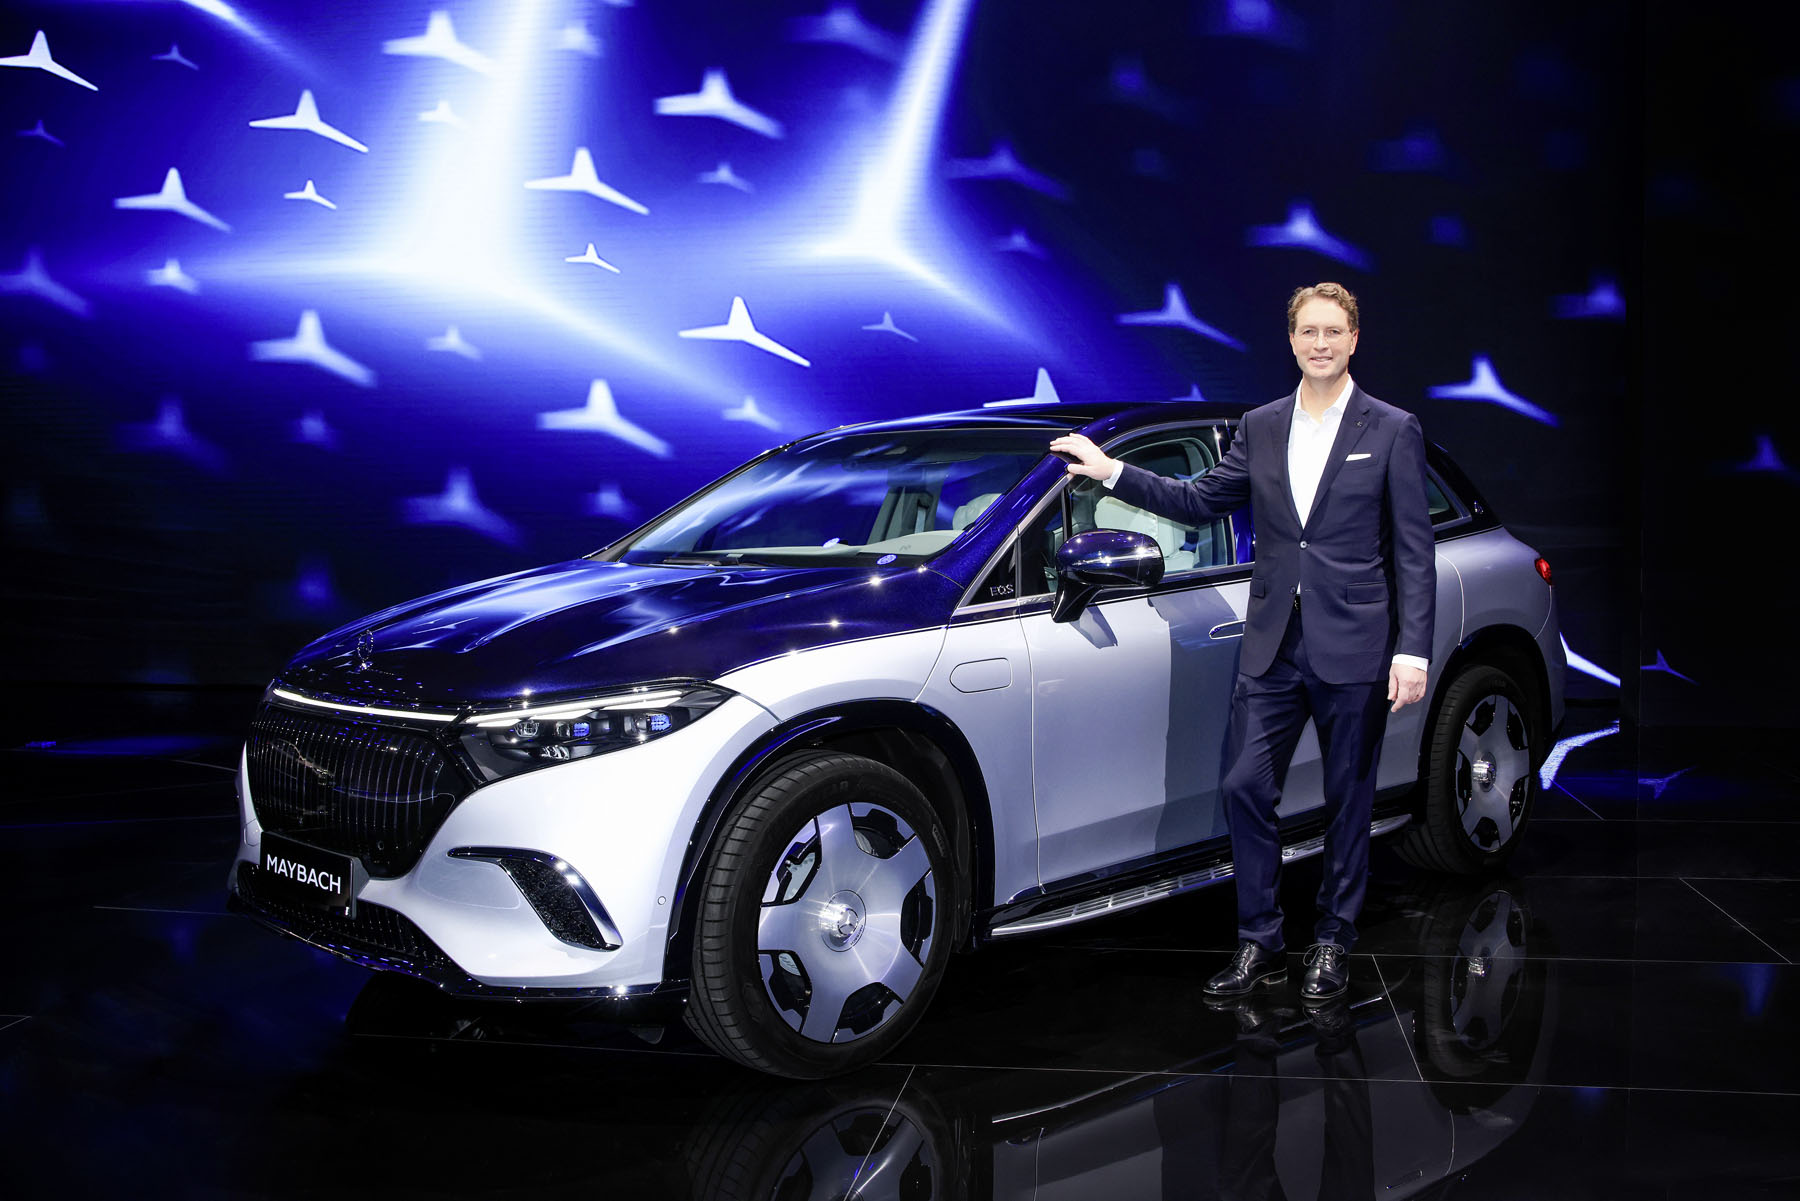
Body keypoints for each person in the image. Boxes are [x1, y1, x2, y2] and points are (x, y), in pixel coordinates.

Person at [1050, 282, 1435, 1002]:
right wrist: (1113, 473)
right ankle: (1262, 938)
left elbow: (1414, 550)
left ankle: (1333, 938)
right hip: (1271, 644)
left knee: (1349, 798)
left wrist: (1413, 649)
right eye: (1308, 331)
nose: (1320, 343)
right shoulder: (1261, 425)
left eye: (1333, 331)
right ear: (1291, 340)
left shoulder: (1391, 428)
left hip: (1355, 643)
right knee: (1244, 787)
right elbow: (1197, 501)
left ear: (1354, 339)